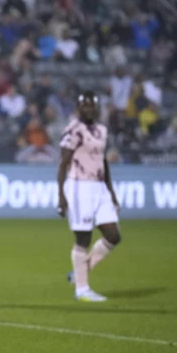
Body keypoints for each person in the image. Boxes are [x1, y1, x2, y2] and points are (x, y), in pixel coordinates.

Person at [58, 91, 121, 302]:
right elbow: (63, 163)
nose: (89, 109)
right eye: (84, 105)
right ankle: (82, 289)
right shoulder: (73, 130)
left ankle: (79, 273)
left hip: (99, 187)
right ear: (78, 108)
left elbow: (103, 161)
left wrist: (111, 192)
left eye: (92, 105)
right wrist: (61, 196)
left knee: (113, 235)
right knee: (83, 239)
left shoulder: (102, 130)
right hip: (79, 186)